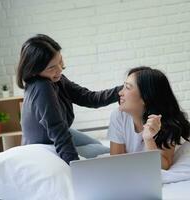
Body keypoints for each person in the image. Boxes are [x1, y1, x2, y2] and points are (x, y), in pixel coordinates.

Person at [16, 34, 122, 164]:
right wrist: (75, 167)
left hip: (55, 134)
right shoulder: (42, 88)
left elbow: (88, 98)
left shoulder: (56, 79)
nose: (60, 69)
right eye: (52, 67)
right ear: (34, 70)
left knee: (97, 144)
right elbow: (58, 131)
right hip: (43, 145)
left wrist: (121, 91)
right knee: (103, 152)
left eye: (60, 61)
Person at [108, 66, 190, 170]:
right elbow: (115, 161)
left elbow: (164, 166)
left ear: (145, 97)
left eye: (127, 88)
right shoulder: (119, 116)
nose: (120, 93)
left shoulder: (168, 121)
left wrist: (148, 139)